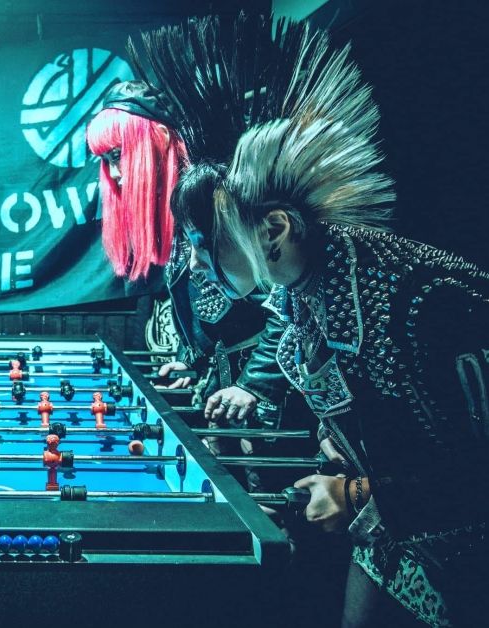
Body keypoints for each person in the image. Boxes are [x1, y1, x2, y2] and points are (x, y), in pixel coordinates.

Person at [137, 15, 489, 627]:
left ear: (273, 230)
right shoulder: (300, 290)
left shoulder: (424, 299)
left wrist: (357, 493)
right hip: (399, 536)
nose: (194, 263)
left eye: (203, 243)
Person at [86, 77, 300, 492]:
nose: (113, 173)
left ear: (161, 138)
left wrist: (254, 384)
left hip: (275, 405)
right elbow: (217, 313)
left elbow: (287, 303)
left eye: (118, 155)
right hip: (227, 401)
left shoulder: (217, 197)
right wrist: (194, 359)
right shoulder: (182, 208)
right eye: (105, 160)